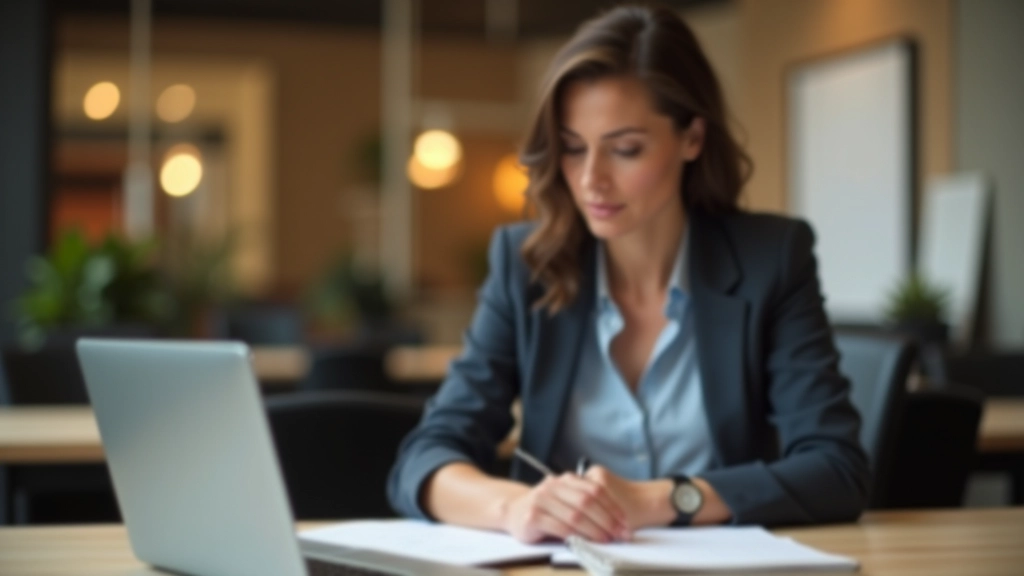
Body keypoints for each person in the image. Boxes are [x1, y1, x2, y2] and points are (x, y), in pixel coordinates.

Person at [388, 3, 868, 544]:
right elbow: (425, 459)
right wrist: (517, 508)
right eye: (572, 149)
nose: (592, 179)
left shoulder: (771, 259)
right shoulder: (526, 265)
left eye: (625, 149)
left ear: (692, 138)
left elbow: (836, 470)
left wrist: (660, 498)